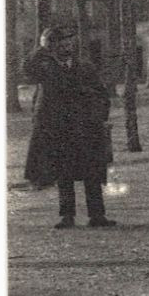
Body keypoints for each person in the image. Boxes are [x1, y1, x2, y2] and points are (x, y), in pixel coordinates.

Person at [23, 25, 116, 228]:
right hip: (60, 130)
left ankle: (97, 216)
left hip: (86, 129)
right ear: (52, 48)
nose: (66, 48)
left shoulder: (85, 68)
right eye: (60, 44)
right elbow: (27, 69)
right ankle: (67, 216)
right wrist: (40, 47)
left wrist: (100, 116)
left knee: (92, 173)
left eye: (69, 44)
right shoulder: (46, 69)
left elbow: (102, 94)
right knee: (64, 174)